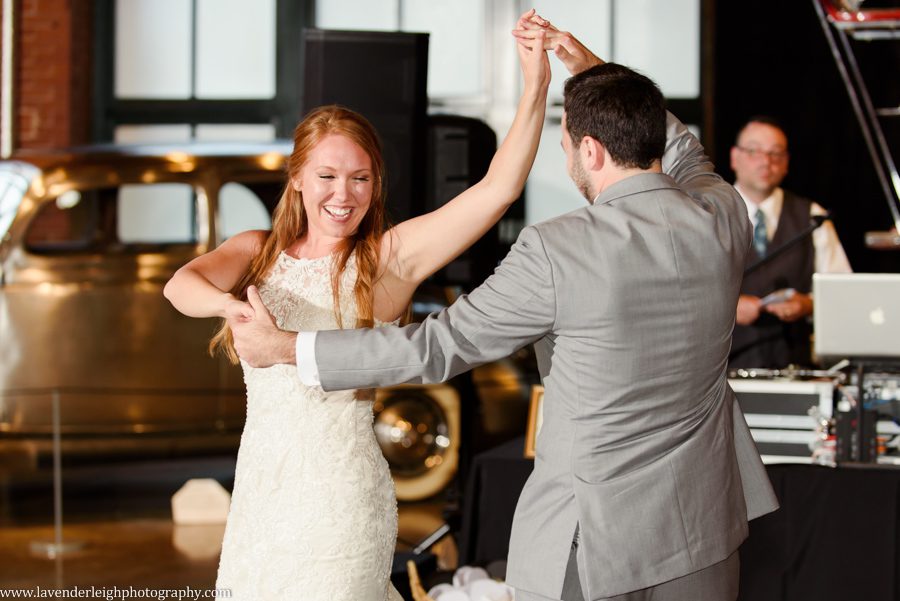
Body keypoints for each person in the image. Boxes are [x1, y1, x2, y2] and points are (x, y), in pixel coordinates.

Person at [229, 16, 779, 601]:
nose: (566, 159)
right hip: (704, 532)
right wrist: (595, 73)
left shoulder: (558, 249)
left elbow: (437, 347)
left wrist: (288, 347)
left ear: (590, 150)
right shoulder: (724, 215)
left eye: (566, 147)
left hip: (592, 542)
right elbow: (684, 149)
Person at [162, 10, 551, 600]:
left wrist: (536, 83)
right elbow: (180, 286)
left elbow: (497, 189)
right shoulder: (255, 252)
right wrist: (231, 309)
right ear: (296, 178)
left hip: (342, 503)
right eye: (327, 176)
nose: (343, 195)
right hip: (261, 499)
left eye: (360, 179)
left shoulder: (384, 262)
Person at [729, 116, 852, 369]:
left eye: (775, 153)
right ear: (735, 157)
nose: (766, 161)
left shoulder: (812, 216)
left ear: (786, 163)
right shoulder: (707, 214)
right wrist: (725, 309)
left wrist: (807, 305)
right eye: (754, 151)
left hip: (794, 369)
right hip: (721, 373)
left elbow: (843, 294)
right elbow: (677, 295)